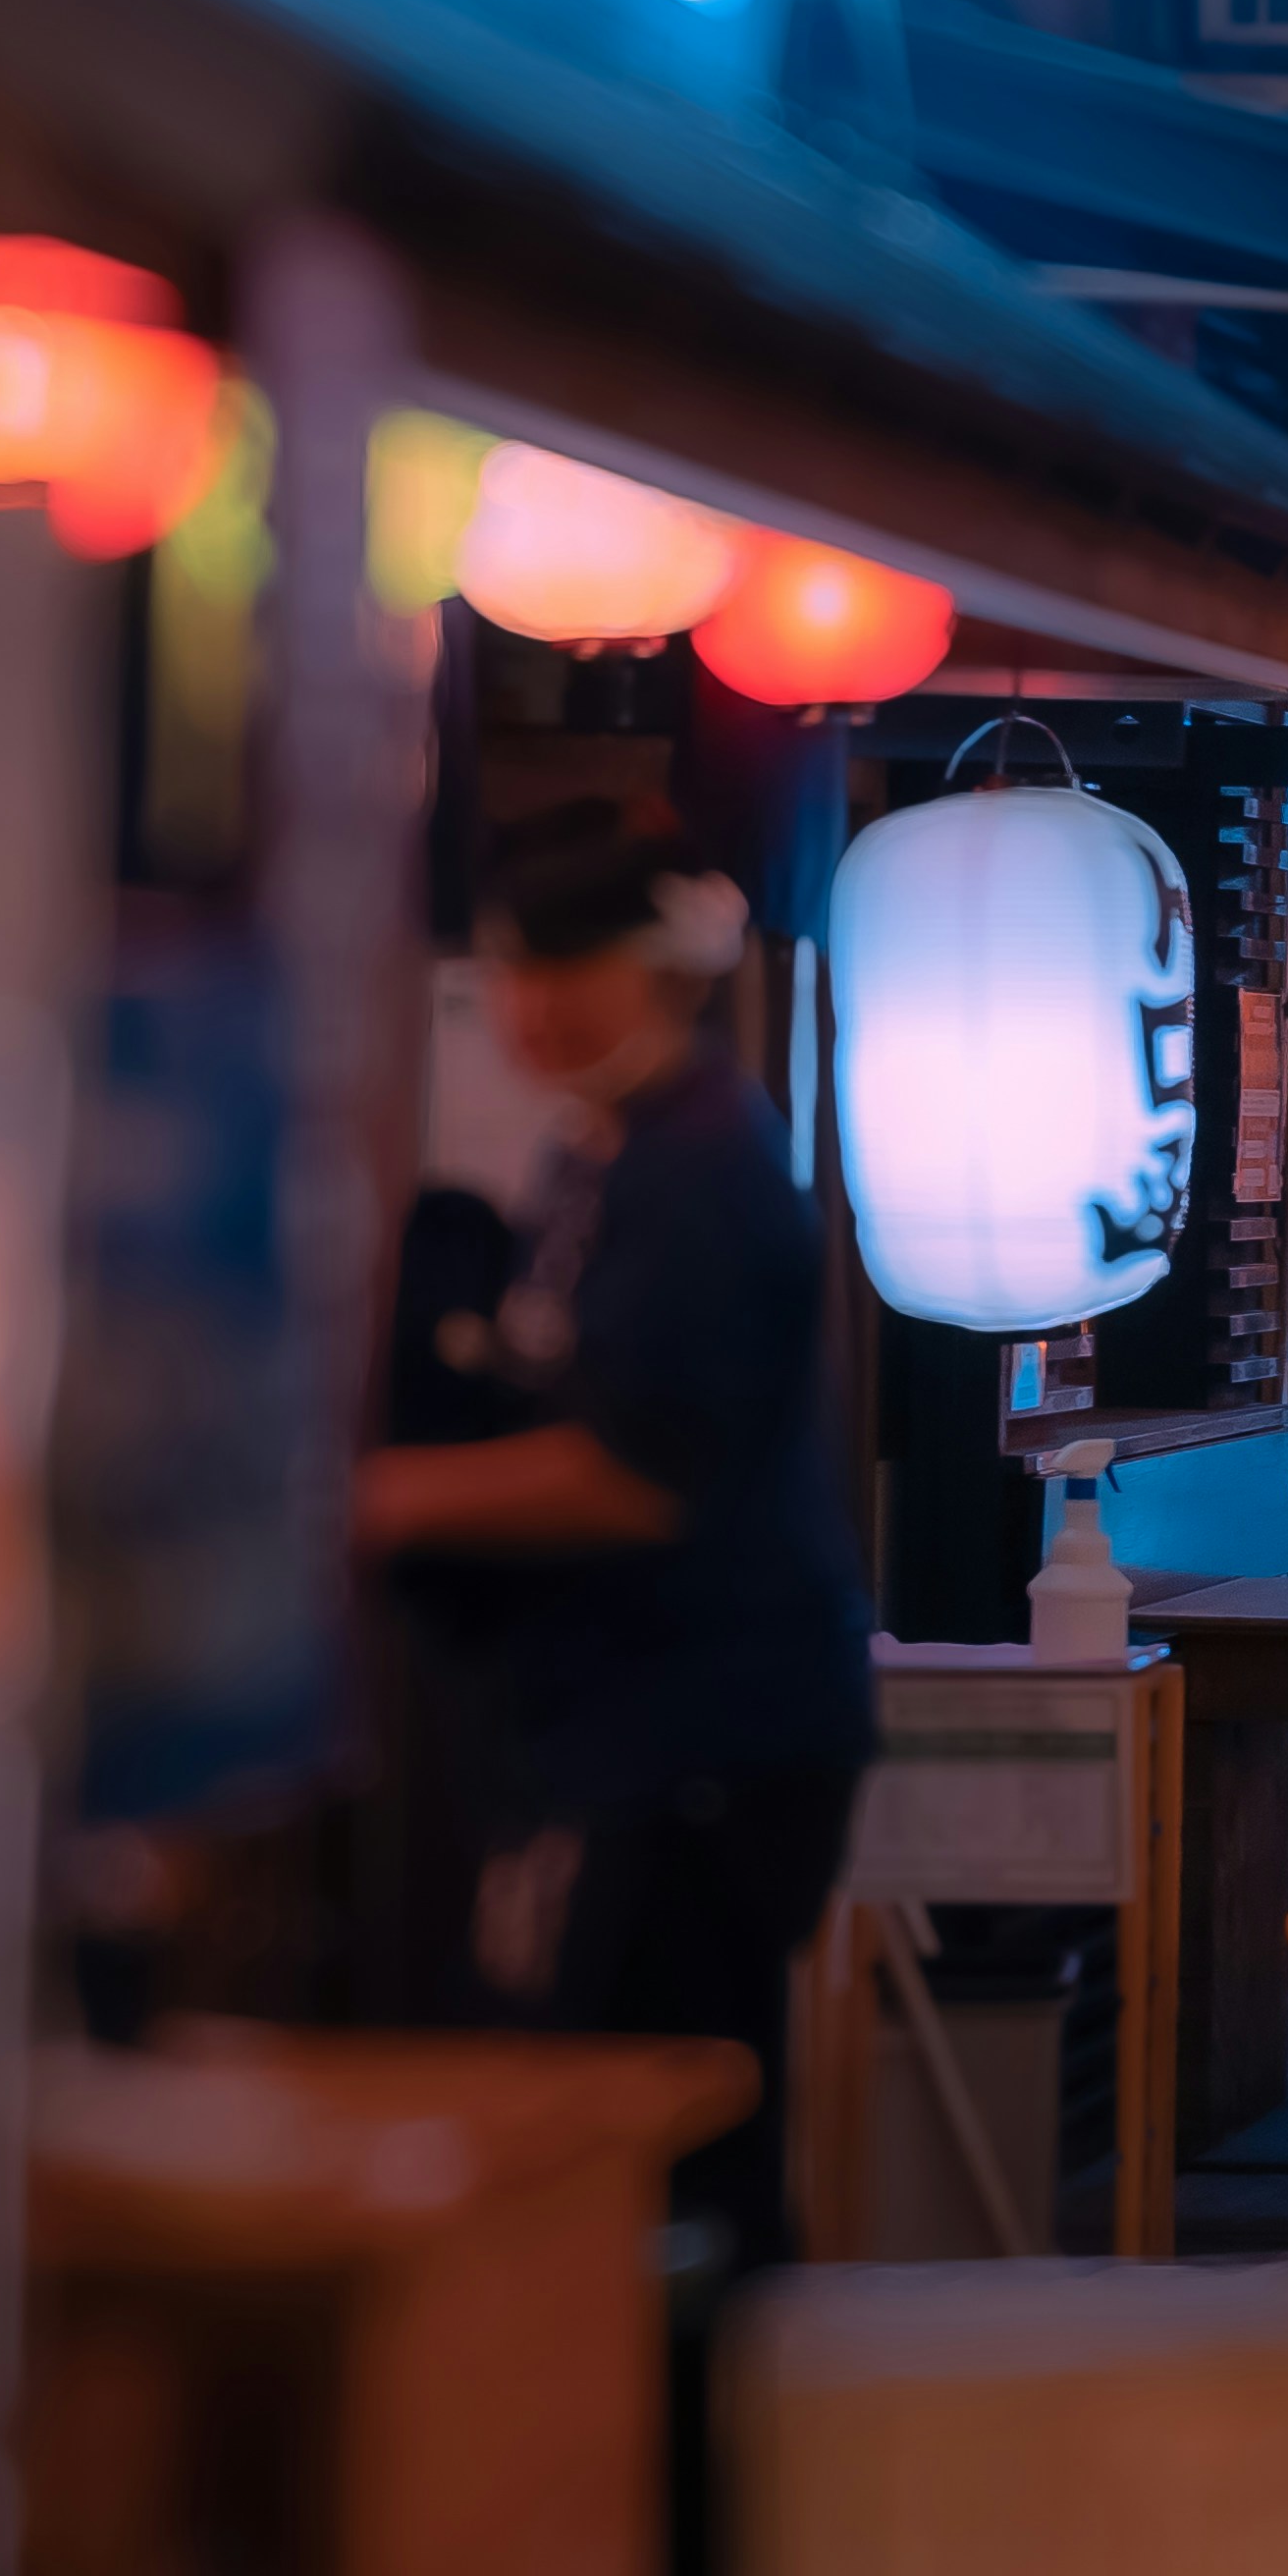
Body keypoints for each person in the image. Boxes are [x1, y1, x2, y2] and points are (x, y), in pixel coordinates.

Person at [354, 803, 876, 2289]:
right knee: (617, 2126)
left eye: (559, 970)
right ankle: (645, 2414)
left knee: (646, 2137)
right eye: (509, 971)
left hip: (695, 1734)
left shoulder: (697, 1169)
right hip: (633, 1722)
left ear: (653, 971)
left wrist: (378, 1501)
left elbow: (639, 1478)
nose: (528, 1007)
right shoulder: (609, 1148)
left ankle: (678, 2430)